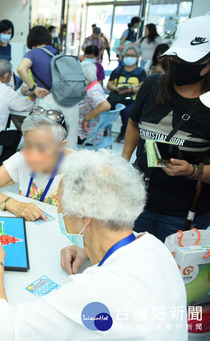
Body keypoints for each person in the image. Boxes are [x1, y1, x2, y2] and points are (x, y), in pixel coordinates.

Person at [0, 150, 187, 340]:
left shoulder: (90, 292)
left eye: (61, 207)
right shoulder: (155, 246)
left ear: (85, 217)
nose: (59, 212)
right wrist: (89, 247)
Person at [122, 14, 210, 242]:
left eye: (191, 61)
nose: (181, 66)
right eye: (177, 59)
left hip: (181, 213)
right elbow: (133, 123)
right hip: (137, 201)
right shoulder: (152, 85)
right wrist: (124, 160)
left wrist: (193, 171)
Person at [0, 112, 70, 221]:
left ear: (61, 146)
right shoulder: (23, 157)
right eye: (28, 145)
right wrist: (15, 205)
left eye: (42, 148)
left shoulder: (80, 172)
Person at [17, 25, 79, 149]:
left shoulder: (32, 53)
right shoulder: (58, 53)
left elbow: (20, 69)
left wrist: (33, 88)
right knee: (69, 144)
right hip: (71, 103)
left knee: (43, 144)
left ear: (31, 40)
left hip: (51, 102)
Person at [0, 60, 34, 164]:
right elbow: (28, 105)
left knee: (7, 135)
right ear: (7, 75)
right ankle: (3, 165)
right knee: (17, 135)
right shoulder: (4, 90)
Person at [106, 45, 146, 142]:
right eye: (127, 55)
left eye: (132, 55)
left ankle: (124, 132)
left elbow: (142, 87)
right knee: (104, 107)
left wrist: (130, 89)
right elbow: (109, 84)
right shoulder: (118, 70)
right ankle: (103, 130)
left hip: (131, 98)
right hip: (117, 96)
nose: (129, 57)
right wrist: (117, 89)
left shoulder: (140, 72)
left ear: (137, 57)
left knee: (128, 112)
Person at [77, 61, 111, 145]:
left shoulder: (92, 91)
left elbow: (106, 106)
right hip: (90, 133)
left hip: (86, 135)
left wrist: (87, 118)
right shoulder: (95, 85)